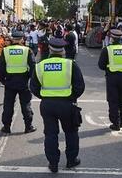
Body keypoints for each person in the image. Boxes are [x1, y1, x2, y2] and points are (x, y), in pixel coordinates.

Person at [30, 38, 85, 173]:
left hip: (47, 105)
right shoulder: (70, 64)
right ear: (63, 51)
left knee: (50, 134)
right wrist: (71, 97)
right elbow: (80, 86)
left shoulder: (40, 65)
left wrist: (45, 96)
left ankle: (53, 163)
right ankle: (71, 160)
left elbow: (34, 87)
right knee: (71, 132)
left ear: (49, 49)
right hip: (67, 103)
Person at [0, 31, 36, 134]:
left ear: (13, 39)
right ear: (22, 39)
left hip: (9, 81)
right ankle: (28, 126)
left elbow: (0, 68)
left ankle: (6, 127)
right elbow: (33, 67)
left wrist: (3, 80)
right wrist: (30, 78)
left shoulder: (5, 51)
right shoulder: (27, 50)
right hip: (23, 81)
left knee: (8, 105)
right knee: (26, 104)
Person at [98, 29, 122, 130]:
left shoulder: (107, 50)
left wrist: (109, 67)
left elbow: (101, 66)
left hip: (112, 77)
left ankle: (115, 123)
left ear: (112, 38)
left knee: (113, 100)